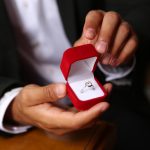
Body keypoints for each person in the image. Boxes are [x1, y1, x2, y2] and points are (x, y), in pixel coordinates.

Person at [0, 0, 150, 149]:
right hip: (20, 122)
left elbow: (137, 8)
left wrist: (117, 46)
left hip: (115, 98)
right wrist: (12, 106)